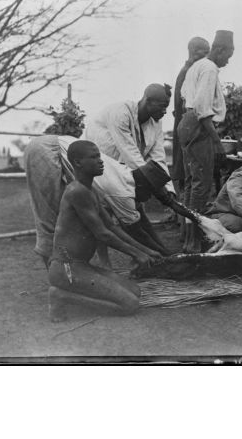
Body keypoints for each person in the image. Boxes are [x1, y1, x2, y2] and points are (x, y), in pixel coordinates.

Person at [24, 134, 184, 268]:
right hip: (46, 151)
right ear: (143, 185)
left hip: (60, 145)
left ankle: (103, 265)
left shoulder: (127, 175)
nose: (149, 199)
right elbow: (135, 231)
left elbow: (111, 225)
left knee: (93, 217)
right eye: (150, 194)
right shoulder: (121, 194)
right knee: (49, 214)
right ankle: (56, 272)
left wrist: (157, 251)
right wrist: (158, 253)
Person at [47, 140, 153, 322]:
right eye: (94, 157)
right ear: (78, 162)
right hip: (67, 269)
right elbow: (102, 234)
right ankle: (61, 296)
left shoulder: (91, 190)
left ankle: (75, 291)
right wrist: (136, 253)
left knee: (135, 291)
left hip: (81, 266)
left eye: (100, 156)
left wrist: (145, 251)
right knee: (130, 305)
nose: (101, 161)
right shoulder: (77, 191)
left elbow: (111, 226)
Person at [178, 29, 235, 253]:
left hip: (187, 124)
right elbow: (203, 109)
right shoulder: (209, 68)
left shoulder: (196, 66)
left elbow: (186, 96)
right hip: (199, 127)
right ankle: (193, 241)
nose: (228, 61)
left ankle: (188, 236)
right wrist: (218, 144)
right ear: (219, 50)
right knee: (200, 186)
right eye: (228, 56)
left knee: (192, 185)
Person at [83, 83, 174, 195]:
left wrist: (170, 191)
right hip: (92, 166)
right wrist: (162, 192)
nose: (165, 111)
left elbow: (158, 158)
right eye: (162, 106)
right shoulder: (121, 112)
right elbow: (130, 155)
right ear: (148, 101)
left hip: (118, 171)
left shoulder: (156, 123)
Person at [171, 37, 211, 197]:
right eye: (205, 52)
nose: (208, 56)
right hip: (187, 128)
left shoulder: (191, 70)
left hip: (186, 127)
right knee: (187, 175)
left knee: (188, 174)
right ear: (195, 52)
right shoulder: (188, 72)